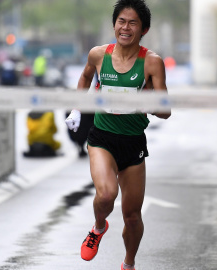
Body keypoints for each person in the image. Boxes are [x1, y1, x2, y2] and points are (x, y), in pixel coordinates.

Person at [64, 1, 171, 269]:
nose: (125, 27)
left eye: (132, 23)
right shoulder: (99, 55)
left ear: (143, 29)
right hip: (102, 138)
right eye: (121, 21)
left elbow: (166, 109)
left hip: (133, 143)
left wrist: (147, 105)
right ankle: (99, 228)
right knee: (106, 195)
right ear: (114, 25)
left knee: (132, 216)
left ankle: (129, 263)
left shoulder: (153, 62)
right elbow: (85, 78)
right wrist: (77, 108)